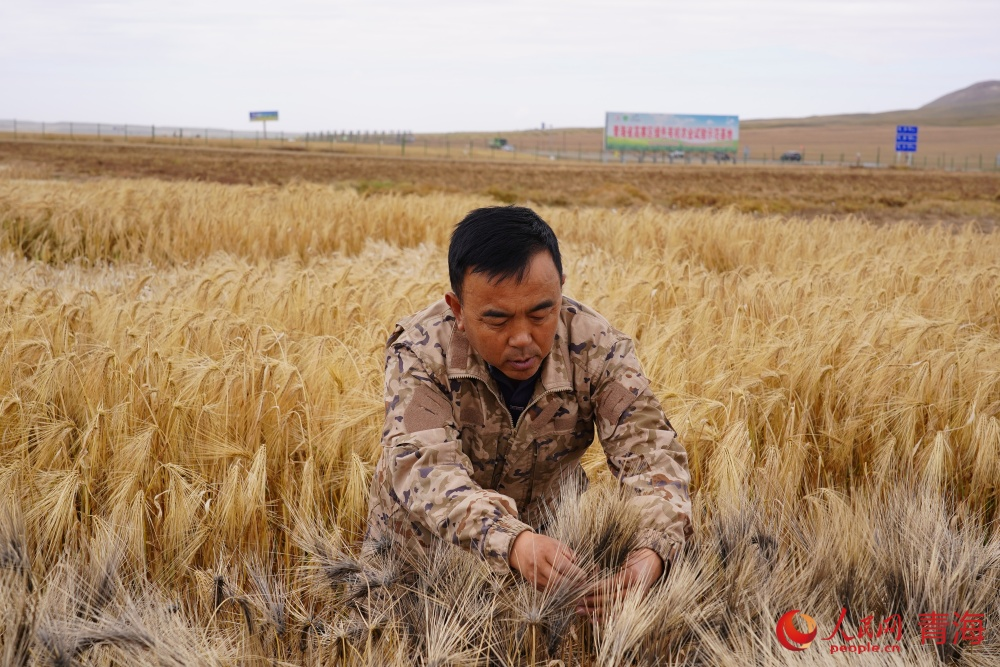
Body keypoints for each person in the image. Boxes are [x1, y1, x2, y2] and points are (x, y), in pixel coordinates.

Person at [363, 206, 692, 614]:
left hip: (547, 558)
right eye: (497, 320)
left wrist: (653, 550)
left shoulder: (598, 348)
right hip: (419, 556)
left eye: (540, 313)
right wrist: (511, 540)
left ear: (561, 291)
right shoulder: (420, 351)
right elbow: (423, 466)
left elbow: (652, 456)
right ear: (458, 310)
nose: (522, 338)